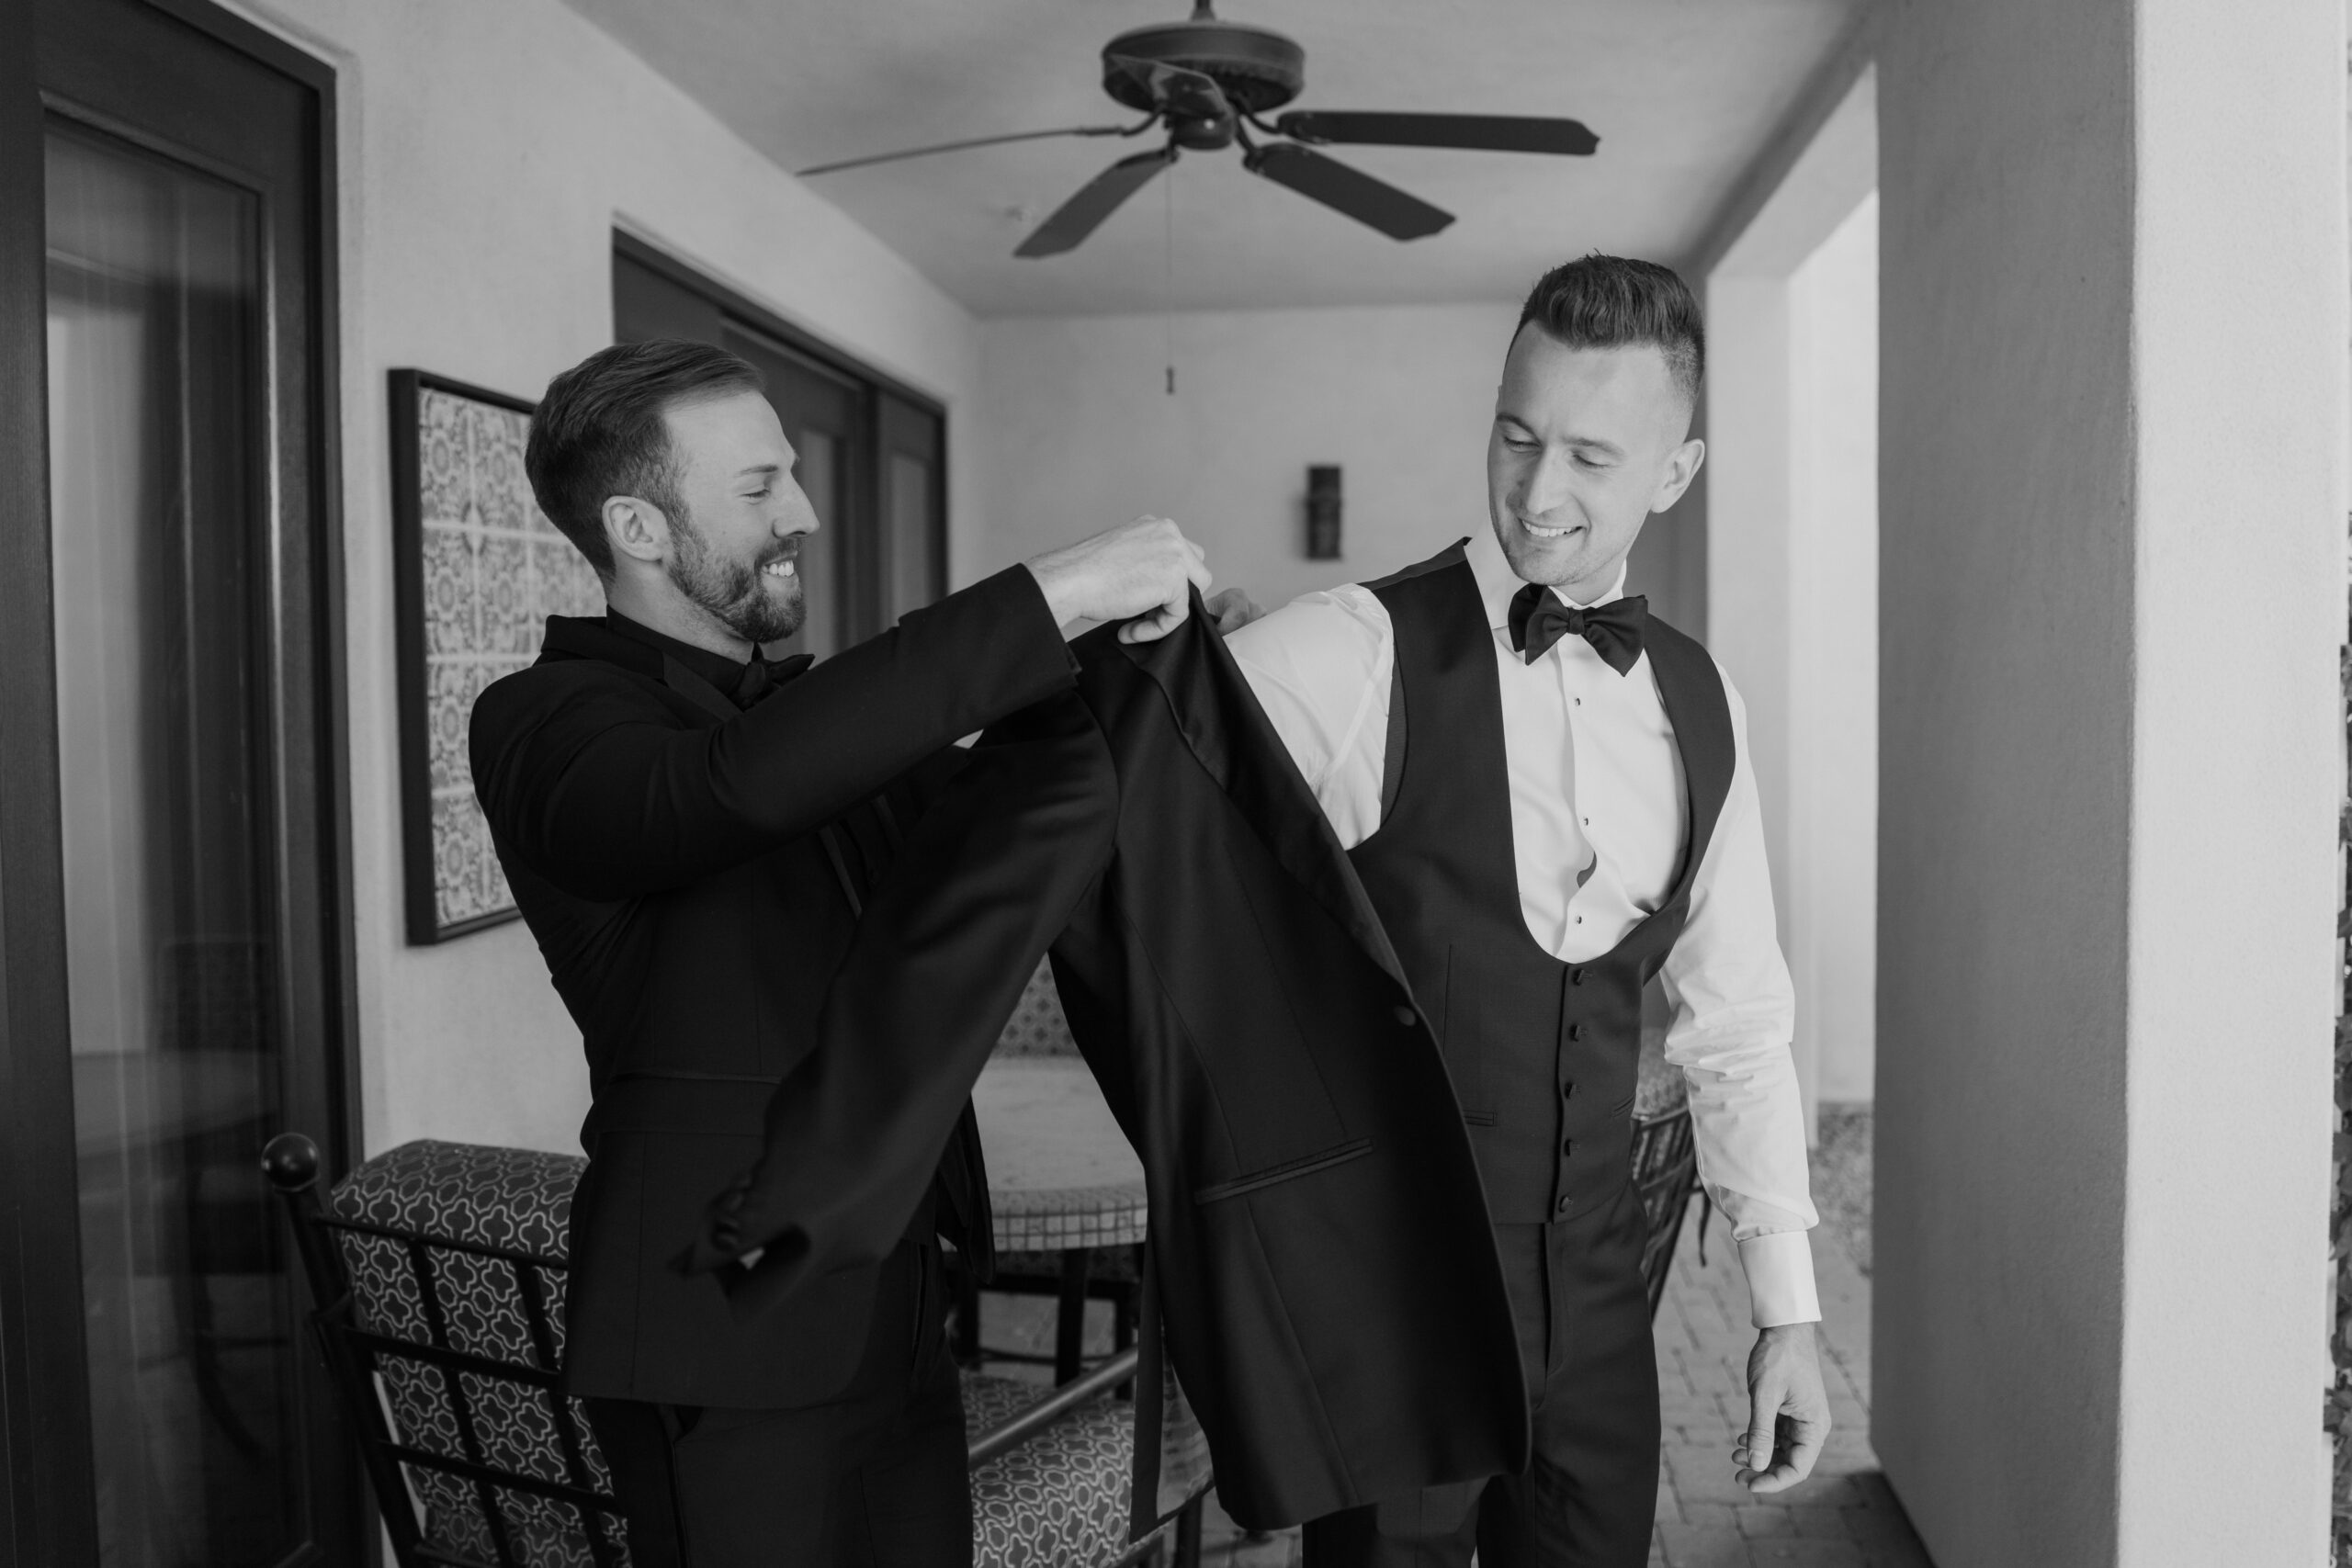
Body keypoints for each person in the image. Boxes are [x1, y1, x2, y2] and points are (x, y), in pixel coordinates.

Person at [468, 337, 1211, 1567]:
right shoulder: (544, 723)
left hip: (899, 1305)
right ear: (639, 529)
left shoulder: (809, 731)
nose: (804, 513)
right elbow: (730, 792)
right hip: (716, 1332)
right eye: (760, 486)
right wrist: (1050, 589)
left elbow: (1004, 816)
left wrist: (1136, 673)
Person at [1221, 254, 1828, 1566]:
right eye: (1515, 434)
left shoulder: (1702, 699)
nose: (1538, 492)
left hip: (1605, 1304)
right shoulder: (1351, 650)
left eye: (1593, 459)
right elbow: (1139, 810)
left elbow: (1737, 1019)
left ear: (1675, 472)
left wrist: (1786, 1313)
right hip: (1399, 1303)